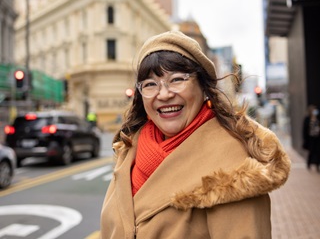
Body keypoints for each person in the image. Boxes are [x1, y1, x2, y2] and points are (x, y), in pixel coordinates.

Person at [100, 31, 291, 239]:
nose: (163, 94)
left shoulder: (233, 168)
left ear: (203, 86)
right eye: (150, 84)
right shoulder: (128, 152)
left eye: (177, 80)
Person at [302, 104, 320, 171]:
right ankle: (309, 164)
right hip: (311, 138)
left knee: (318, 152)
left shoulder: (318, 118)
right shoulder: (307, 119)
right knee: (311, 152)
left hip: (317, 138)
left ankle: (317, 165)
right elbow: (305, 130)